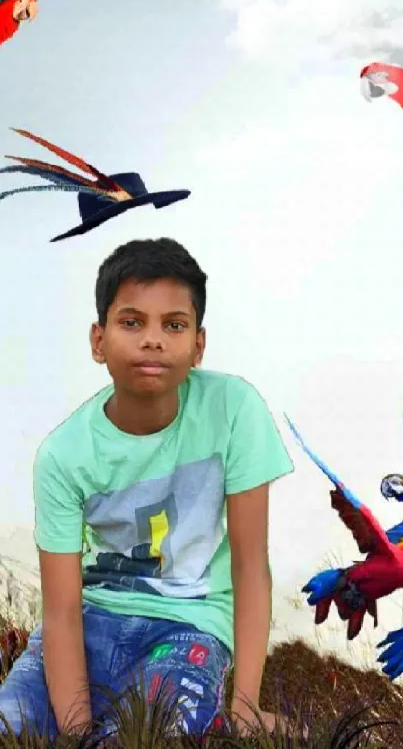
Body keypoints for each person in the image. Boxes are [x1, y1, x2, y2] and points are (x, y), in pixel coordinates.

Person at [0, 237, 293, 738]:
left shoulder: (235, 410)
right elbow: (64, 609)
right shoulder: (62, 455)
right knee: (13, 727)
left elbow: (249, 566)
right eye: (132, 322)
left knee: (151, 734)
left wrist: (245, 705)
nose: (153, 339)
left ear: (198, 345)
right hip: (91, 623)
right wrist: (74, 732)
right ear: (98, 340)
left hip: (190, 629)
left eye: (173, 325)